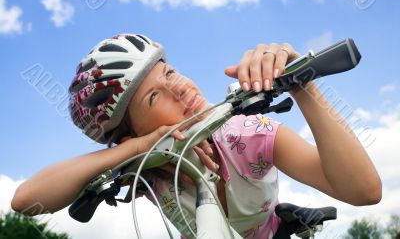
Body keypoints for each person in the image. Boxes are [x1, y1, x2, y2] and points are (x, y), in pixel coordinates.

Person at [12, 34, 382, 238]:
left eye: (169, 72)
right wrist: (135, 151)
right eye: (154, 96)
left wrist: (302, 86)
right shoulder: (148, 171)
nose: (180, 88)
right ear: (129, 133)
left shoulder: (248, 134)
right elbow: (26, 201)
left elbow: (363, 192)